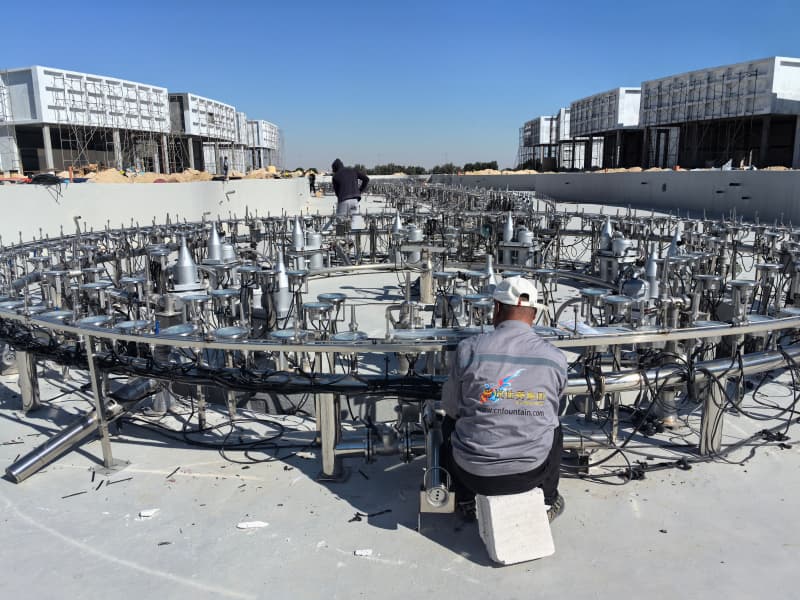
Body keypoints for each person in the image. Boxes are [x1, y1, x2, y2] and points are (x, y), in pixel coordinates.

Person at [440, 276, 568, 522]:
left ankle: (465, 498)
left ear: (497, 308)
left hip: (472, 472)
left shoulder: (469, 349)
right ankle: (548, 499)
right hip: (530, 473)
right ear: (534, 314)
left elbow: (451, 407)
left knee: (448, 421)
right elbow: (553, 409)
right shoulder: (555, 358)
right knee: (554, 425)